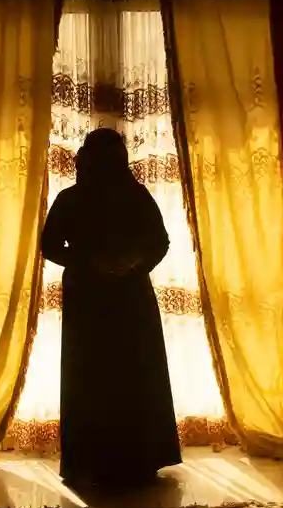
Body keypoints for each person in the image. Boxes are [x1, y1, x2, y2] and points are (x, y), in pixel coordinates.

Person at [41, 128, 182, 489]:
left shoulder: (129, 196)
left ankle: (130, 459)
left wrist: (132, 262)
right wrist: (94, 261)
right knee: (97, 375)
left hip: (125, 295)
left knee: (129, 374)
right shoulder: (76, 199)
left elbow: (159, 242)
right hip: (95, 298)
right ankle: (111, 460)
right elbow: (50, 245)